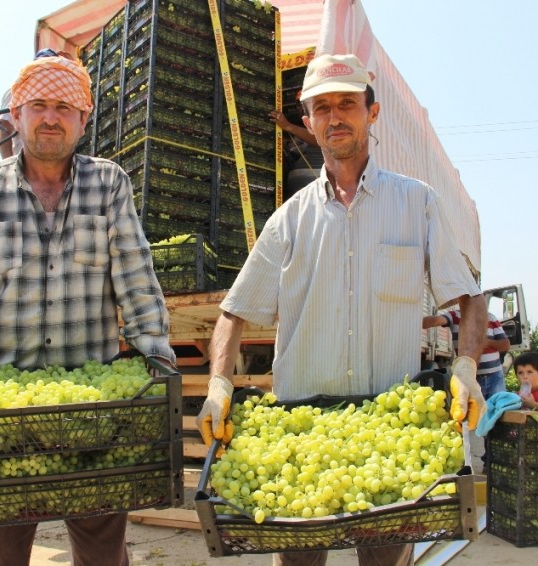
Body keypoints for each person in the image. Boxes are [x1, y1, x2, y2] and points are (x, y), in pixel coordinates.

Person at [196, 53, 487, 566]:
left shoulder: (417, 202)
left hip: (390, 435)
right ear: (308, 122)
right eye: (322, 107)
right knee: (300, 561)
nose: (335, 117)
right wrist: (219, 384)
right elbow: (234, 310)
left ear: (371, 113)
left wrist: (466, 366)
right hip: (301, 431)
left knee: (385, 561)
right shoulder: (288, 220)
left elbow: (468, 296)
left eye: (347, 104)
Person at [0, 54, 176, 566]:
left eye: (64, 106)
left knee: (103, 551)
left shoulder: (109, 185)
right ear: (17, 113)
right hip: (0, 419)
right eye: (38, 105)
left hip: (92, 412)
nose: (50, 117)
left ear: (83, 118)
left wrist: (157, 360)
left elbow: (137, 281)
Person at [423, 308, 511, 400]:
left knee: (498, 410)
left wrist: (485, 342)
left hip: (495, 377)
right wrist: (416, 320)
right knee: (473, 413)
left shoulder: (490, 317)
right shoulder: (454, 316)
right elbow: (435, 321)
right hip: (469, 378)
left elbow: (505, 345)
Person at [0, 48, 69, 160]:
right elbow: (4, 127)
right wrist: (9, 167)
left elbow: (87, 106)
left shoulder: (64, 91)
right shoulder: (18, 89)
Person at [270, 92, 325, 199]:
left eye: (306, 103)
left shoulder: (324, 119)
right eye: (299, 104)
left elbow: (321, 140)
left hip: (318, 175)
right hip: (299, 178)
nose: (301, 107)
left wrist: (288, 126)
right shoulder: (302, 129)